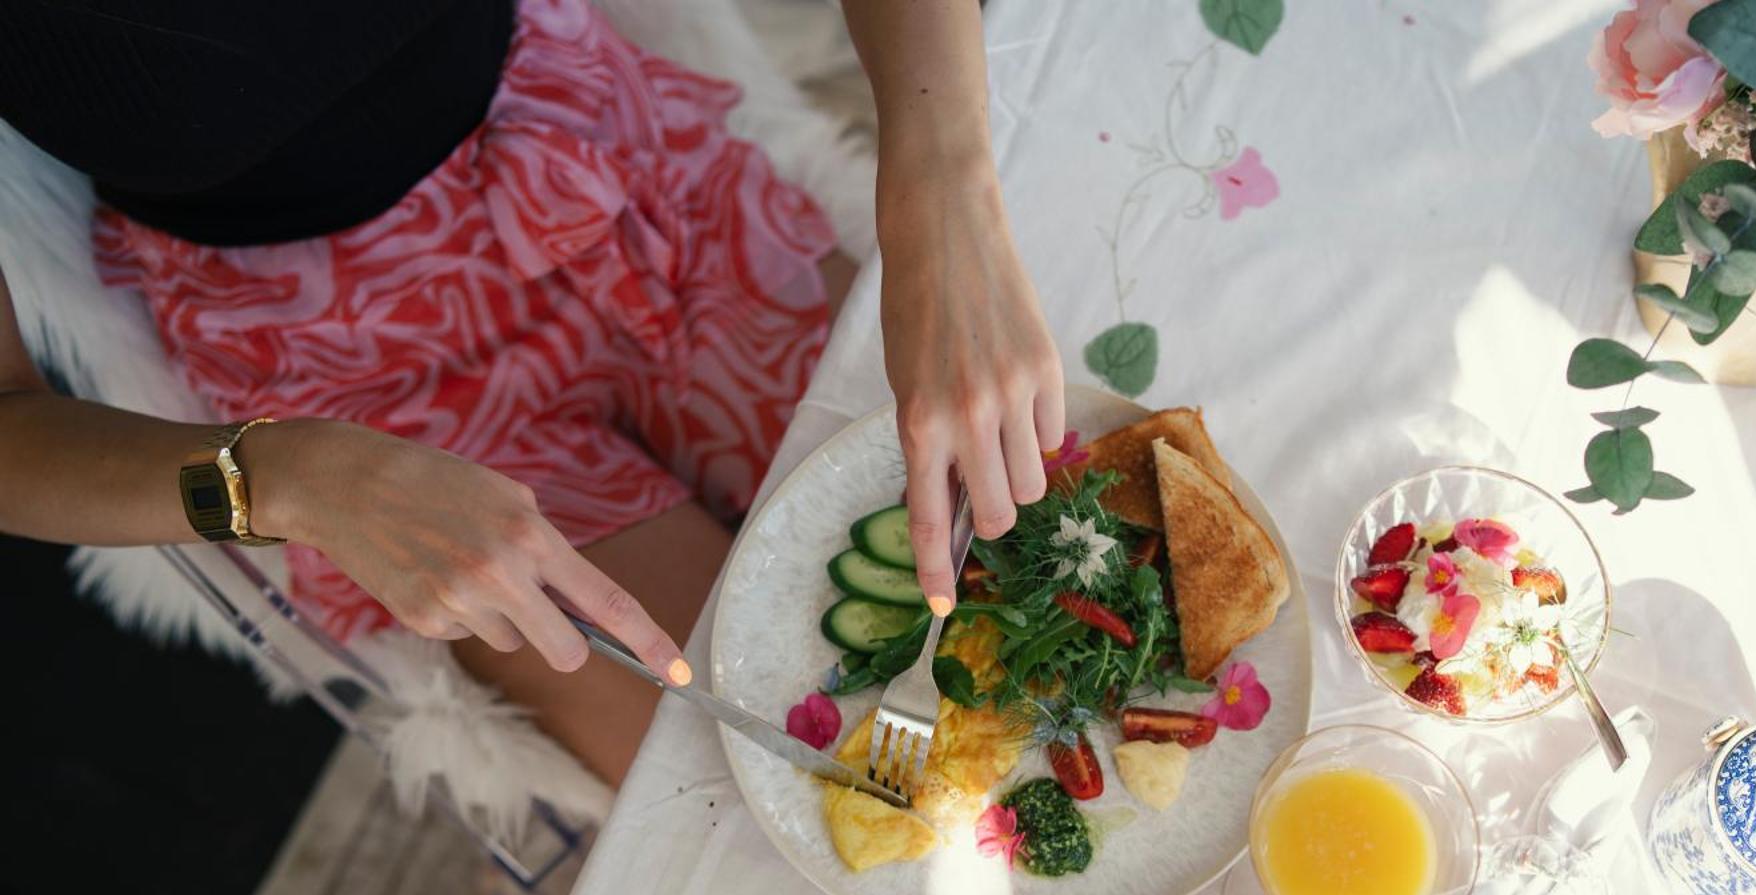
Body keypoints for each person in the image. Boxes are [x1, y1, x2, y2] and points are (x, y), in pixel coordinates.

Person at [0, 0, 1062, 783]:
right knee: (768, 794)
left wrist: (941, 186)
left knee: (1047, 602)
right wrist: (279, 477)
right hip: (352, 381)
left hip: (600, 159)